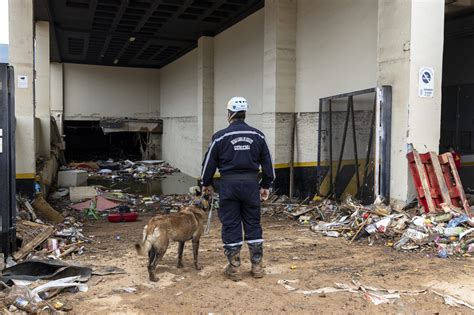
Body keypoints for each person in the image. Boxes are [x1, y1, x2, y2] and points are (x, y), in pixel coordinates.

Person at [201, 96, 275, 281]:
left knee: (231, 223)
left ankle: (234, 268)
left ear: (229, 114)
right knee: (252, 223)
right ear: (244, 113)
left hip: (228, 186)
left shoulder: (220, 137)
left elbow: (208, 165)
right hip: (251, 185)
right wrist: (265, 185)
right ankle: (257, 266)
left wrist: (206, 184)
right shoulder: (258, 136)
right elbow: (268, 165)